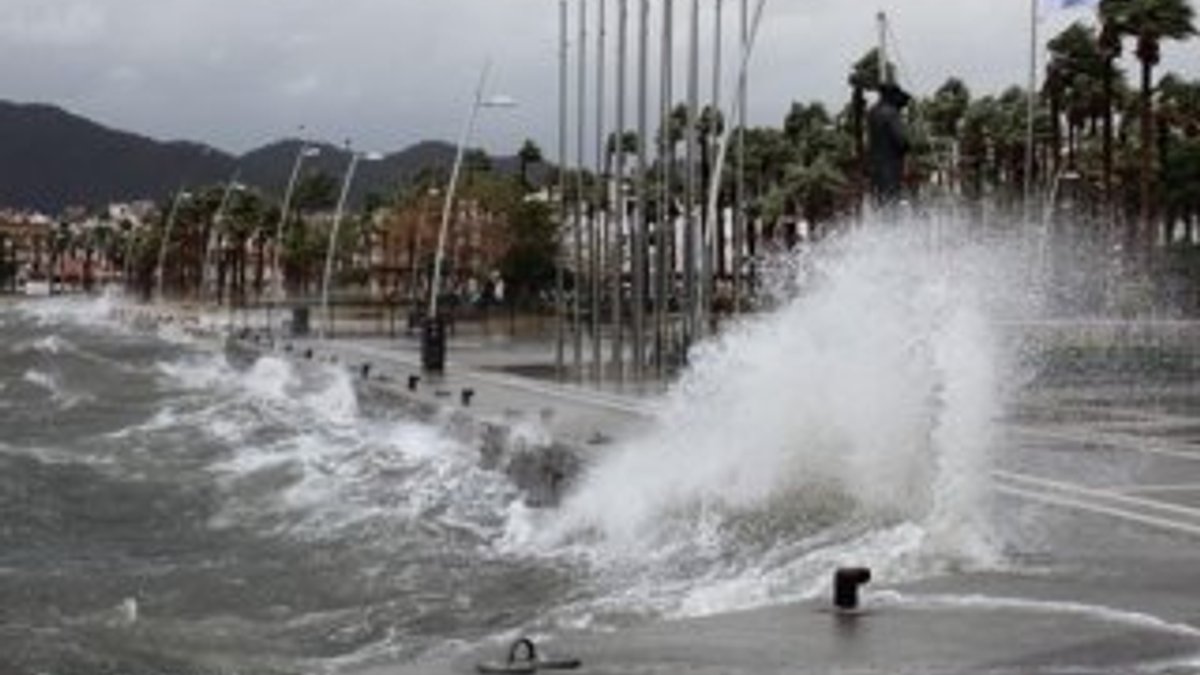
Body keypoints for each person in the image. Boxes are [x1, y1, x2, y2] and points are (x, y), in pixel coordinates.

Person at [866, 82, 912, 206]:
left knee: (879, 201)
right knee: (892, 201)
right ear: (891, 96)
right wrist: (908, 146)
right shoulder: (891, 113)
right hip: (891, 166)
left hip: (874, 165)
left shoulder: (872, 112)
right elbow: (900, 139)